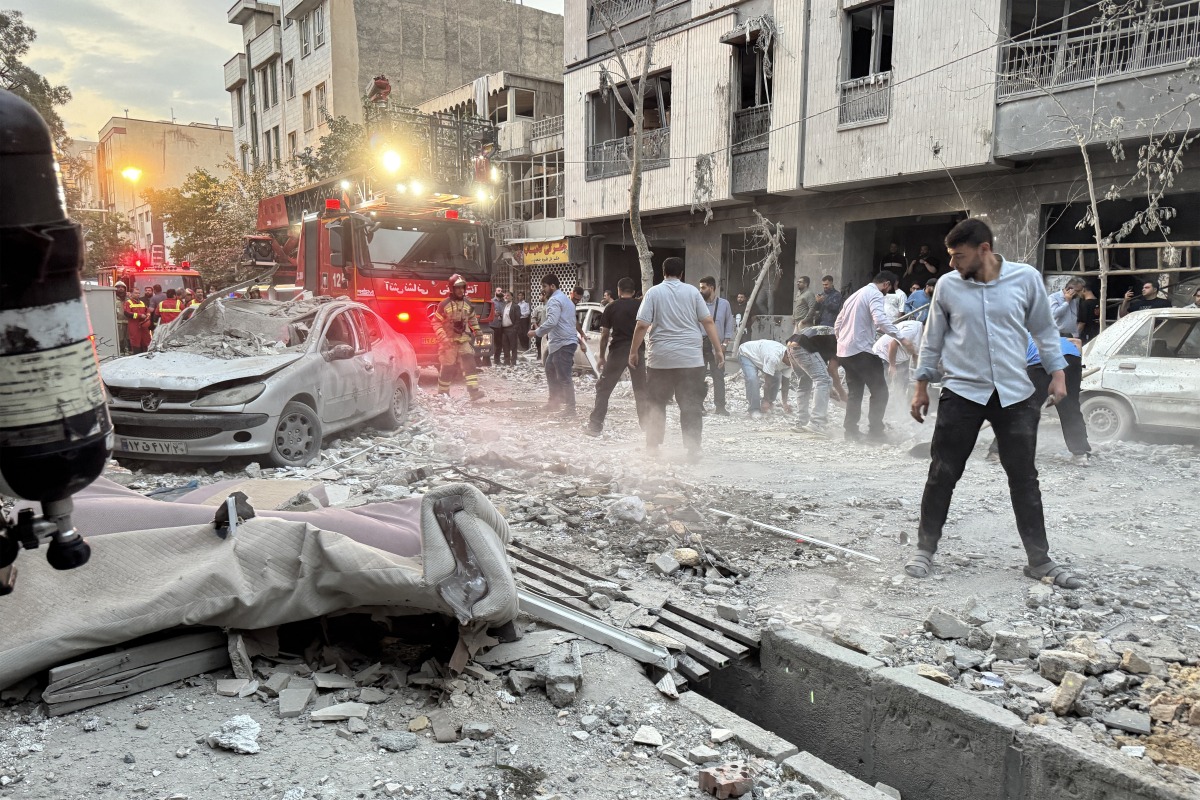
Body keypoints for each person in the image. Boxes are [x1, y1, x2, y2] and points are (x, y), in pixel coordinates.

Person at [907, 217, 1079, 589]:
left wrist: (1058, 373)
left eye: (958, 256)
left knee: (1024, 478)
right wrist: (920, 384)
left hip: (1015, 394)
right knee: (942, 473)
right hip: (962, 392)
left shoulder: (1025, 279)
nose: (952, 264)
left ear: (983, 250)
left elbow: (1045, 330)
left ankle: (1039, 560)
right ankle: (924, 550)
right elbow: (932, 338)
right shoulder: (949, 286)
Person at [628, 257, 724, 461]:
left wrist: (633, 351)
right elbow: (707, 321)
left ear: (663, 272)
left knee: (656, 402)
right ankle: (692, 448)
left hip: (661, 359)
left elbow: (642, 325)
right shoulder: (692, 292)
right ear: (682, 274)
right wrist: (718, 350)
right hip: (691, 359)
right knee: (691, 403)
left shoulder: (654, 292)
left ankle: (653, 446)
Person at [988, 334, 1092, 465]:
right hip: (1071, 360)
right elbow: (1077, 342)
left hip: (1040, 362)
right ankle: (1080, 454)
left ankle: (997, 452)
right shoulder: (1054, 338)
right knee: (1070, 408)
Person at [833, 271, 912, 442]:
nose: (887, 292)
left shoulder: (855, 295)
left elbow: (837, 323)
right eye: (889, 288)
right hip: (861, 351)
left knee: (855, 393)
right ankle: (876, 432)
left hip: (845, 352)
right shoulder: (875, 294)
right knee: (880, 392)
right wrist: (902, 338)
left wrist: (843, 341)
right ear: (886, 284)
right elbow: (880, 320)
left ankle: (851, 432)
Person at [585, 277, 648, 436]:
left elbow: (605, 335)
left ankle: (595, 426)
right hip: (637, 352)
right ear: (634, 292)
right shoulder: (641, 306)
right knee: (640, 390)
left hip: (617, 352)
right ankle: (648, 427)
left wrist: (601, 357)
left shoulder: (611, 307)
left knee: (603, 389)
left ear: (618, 290)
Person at [431, 274, 485, 400]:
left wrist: (478, 332)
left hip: (463, 340)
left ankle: (474, 392)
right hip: (448, 342)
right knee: (448, 367)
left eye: (463, 287)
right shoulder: (444, 304)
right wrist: (442, 337)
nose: (461, 290)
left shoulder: (467, 303)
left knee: (470, 364)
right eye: (458, 288)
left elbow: (472, 318)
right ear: (452, 289)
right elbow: (436, 322)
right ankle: (443, 394)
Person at [785, 328, 846, 436]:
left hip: (791, 346)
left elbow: (821, 367)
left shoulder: (832, 336)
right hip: (805, 346)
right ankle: (816, 423)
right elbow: (831, 370)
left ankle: (801, 422)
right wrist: (842, 394)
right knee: (823, 380)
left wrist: (829, 389)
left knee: (804, 382)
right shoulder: (844, 342)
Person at [533, 273, 578, 416]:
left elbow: (552, 322)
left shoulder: (554, 301)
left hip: (562, 344)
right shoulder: (566, 300)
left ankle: (570, 409)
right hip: (563, 343)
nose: (543, 290)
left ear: (552, 286)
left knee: (564, 376)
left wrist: (536, 332)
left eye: (544, 286)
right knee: (550, 369)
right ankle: (554, 402)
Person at [699, 276, 734, 416]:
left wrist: (725, 344)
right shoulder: (697, 303)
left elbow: (729, 325)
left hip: (717, 346)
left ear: (712, 288)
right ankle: (698, 406)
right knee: (698, 376)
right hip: (699, 344)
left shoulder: (724, 304)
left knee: (718, 376)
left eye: (703, 287)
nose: (700, 290)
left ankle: (720, 407)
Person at [737, 338, 793, 417]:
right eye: (792, 361)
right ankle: (754, 409)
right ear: (787, 356)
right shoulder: (773, 357)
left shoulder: (792, 361)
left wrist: (785, 403)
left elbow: (785, 383)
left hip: (762, 358)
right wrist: (765, 400)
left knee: (777, 378)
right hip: (747, 353)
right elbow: (767, 382)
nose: (793, 364)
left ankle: (769, 403)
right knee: (752, 379)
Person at [873, 318, 923, 391]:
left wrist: (919, 372)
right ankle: (880, 401)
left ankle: (898, 400)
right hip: (884, 355)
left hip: (901, 359)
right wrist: (892, 365)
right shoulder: (913, 329)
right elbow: (893, 344)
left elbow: (915, 355)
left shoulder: (927, 336)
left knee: (902, 385)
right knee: (884, 386)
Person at [123, 287, 152, 354]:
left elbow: (147, 311)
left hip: (143, 326)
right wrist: (139, 315)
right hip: (134, 326)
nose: (138, 294)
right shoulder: (128, 303)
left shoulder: (142, 302)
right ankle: (136, 356)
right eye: (136, 293)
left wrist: (147, 316)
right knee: (135, 342)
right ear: (131, 294)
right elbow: (127, 313)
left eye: (138, 293)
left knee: (146, 341)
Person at [497, 290, 520, 366]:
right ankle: (506, 361)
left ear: (512, 297)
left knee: (513, 346)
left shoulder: (515, 306)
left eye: (508, 295)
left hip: (511, 328)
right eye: (505, 296)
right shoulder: (504, 306)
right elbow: (504, 317)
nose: (506, 297)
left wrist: (515, 329)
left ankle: (513, 362)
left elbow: (517, 319)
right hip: (504, 329)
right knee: (505, 346)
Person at [113, 281, 130, 355]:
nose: (120, 289)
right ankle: (121, 352)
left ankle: (129, 351)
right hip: (118, 322)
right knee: (120, 338)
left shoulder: (129, 298)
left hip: (129, 322)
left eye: (122, 287)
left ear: (125, 289)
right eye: (118, 287)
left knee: (129, 338)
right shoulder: (113, 298)